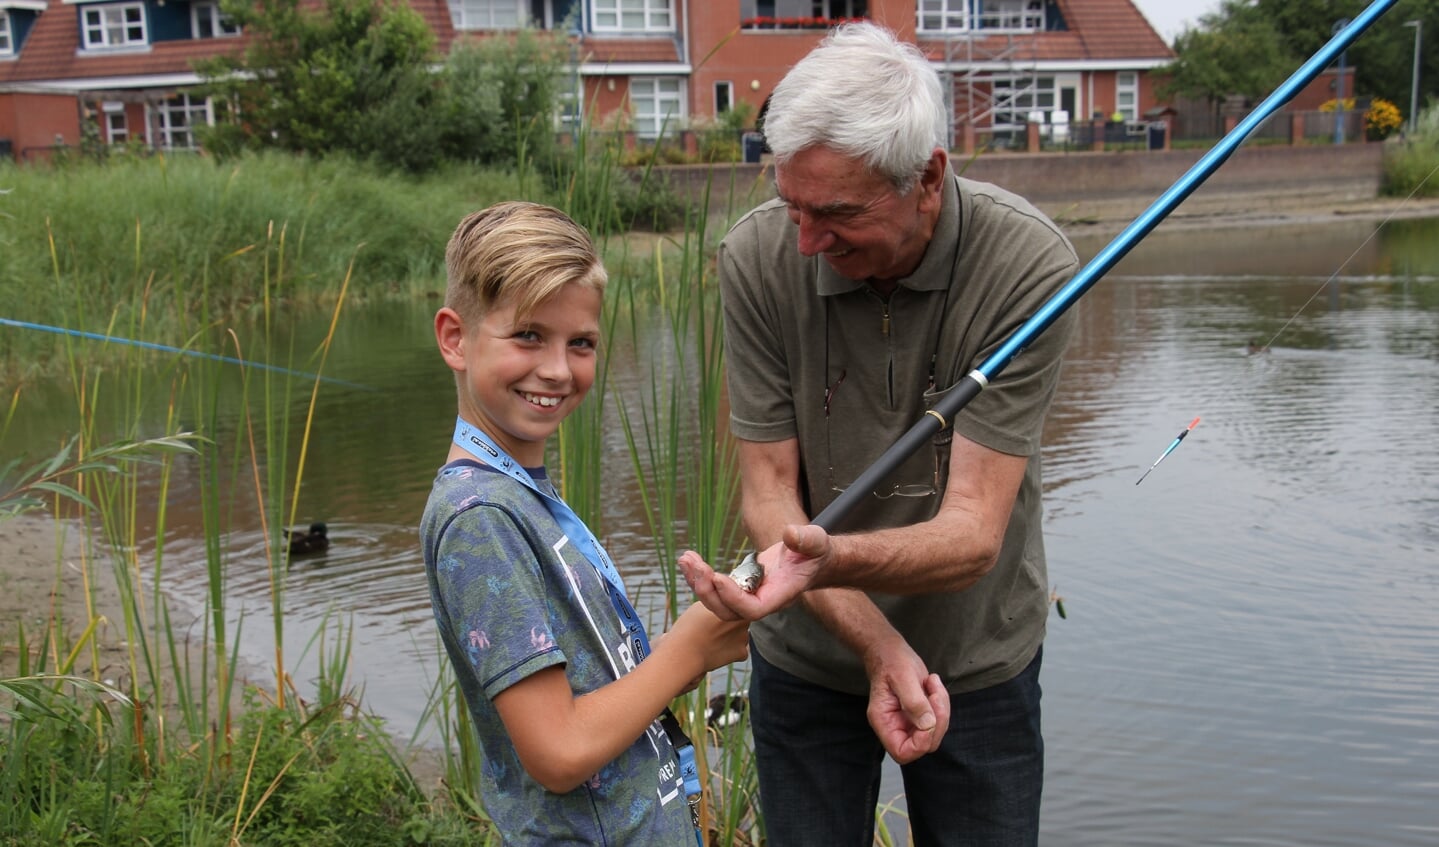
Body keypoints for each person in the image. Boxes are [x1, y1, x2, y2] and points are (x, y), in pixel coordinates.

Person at [677, 22, 1080, 846]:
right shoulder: (757, 258)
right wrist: (874, 642)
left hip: (977, 660)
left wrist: (828, 556)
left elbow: (972, 535)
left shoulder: (1027, 267)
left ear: (926, 178)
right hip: (808, 655)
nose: (805, 242)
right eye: (791, 204)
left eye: (835, 213)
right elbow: (766, 493)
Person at [421, 201, 749, 844]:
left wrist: (697, 632)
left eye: (582, 344)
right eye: (528, 336)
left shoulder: (517, 498)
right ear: (455, 338)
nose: (557, 369)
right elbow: (559, 752)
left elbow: (585, 688)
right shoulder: (481, 518)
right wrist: (689, 650)